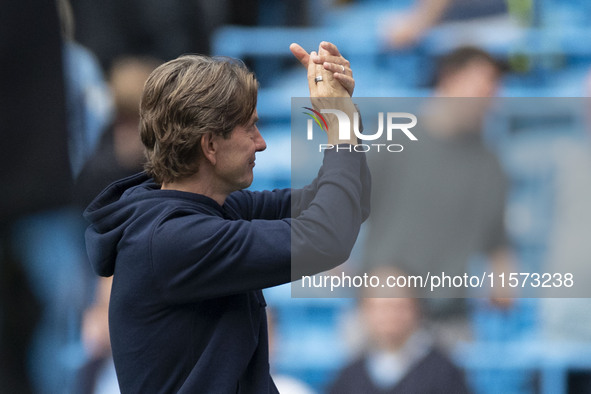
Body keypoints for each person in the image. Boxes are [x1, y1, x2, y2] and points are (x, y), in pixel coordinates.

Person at [83, 41, 370, 393]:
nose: (261, 142)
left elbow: (348, 204)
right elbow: (328, 237)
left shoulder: (206, 211)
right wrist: (336, 123)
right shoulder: (174, 239)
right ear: (210, 145)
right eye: (249, 128)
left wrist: (346, 116)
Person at [364, 46, 512, 346]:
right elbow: (340, 206)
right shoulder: (393, 139)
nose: (490, 97)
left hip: (451, 323)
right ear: (450, 80)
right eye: (482, 85)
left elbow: (497, 241)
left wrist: (503, 280)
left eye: (493, 88)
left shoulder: (489, 162)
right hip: (382, 316)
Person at [328, 267, 470, 394]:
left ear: (417, 309)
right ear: (364, 311)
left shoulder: (443, 372)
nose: (390, 316)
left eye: (399, 306)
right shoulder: (350, 376)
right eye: (381, 308)